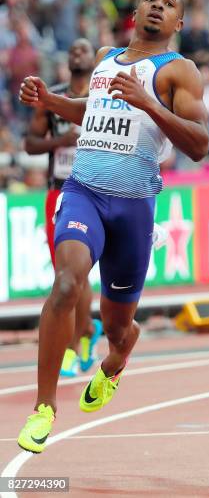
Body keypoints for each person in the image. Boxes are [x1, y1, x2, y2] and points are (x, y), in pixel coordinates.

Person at [17, 0, 209, 453]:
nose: (158, 8)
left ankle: (118, 357)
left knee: (117, 326)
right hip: (83, 193)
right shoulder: (106, 57)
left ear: (178, 23)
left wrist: (147, 102)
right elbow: (92, 110)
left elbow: (200, 144)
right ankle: (44, 407)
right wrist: (51, 102)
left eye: (169, 4)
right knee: (66, 283)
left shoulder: (178, 72)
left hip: (134, 207)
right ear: (136, 10)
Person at [24, 38, 103, 378]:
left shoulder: (104, 96)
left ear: (94, 58)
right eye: (71, 50)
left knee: (80, 274)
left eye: (82, 50)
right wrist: (61, 141)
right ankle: (82, 336)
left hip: (95, 191)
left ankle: (80, 338)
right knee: (67, 275)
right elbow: (30, 143)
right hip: (59, 193)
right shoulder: (52, 97)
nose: (75, 53)